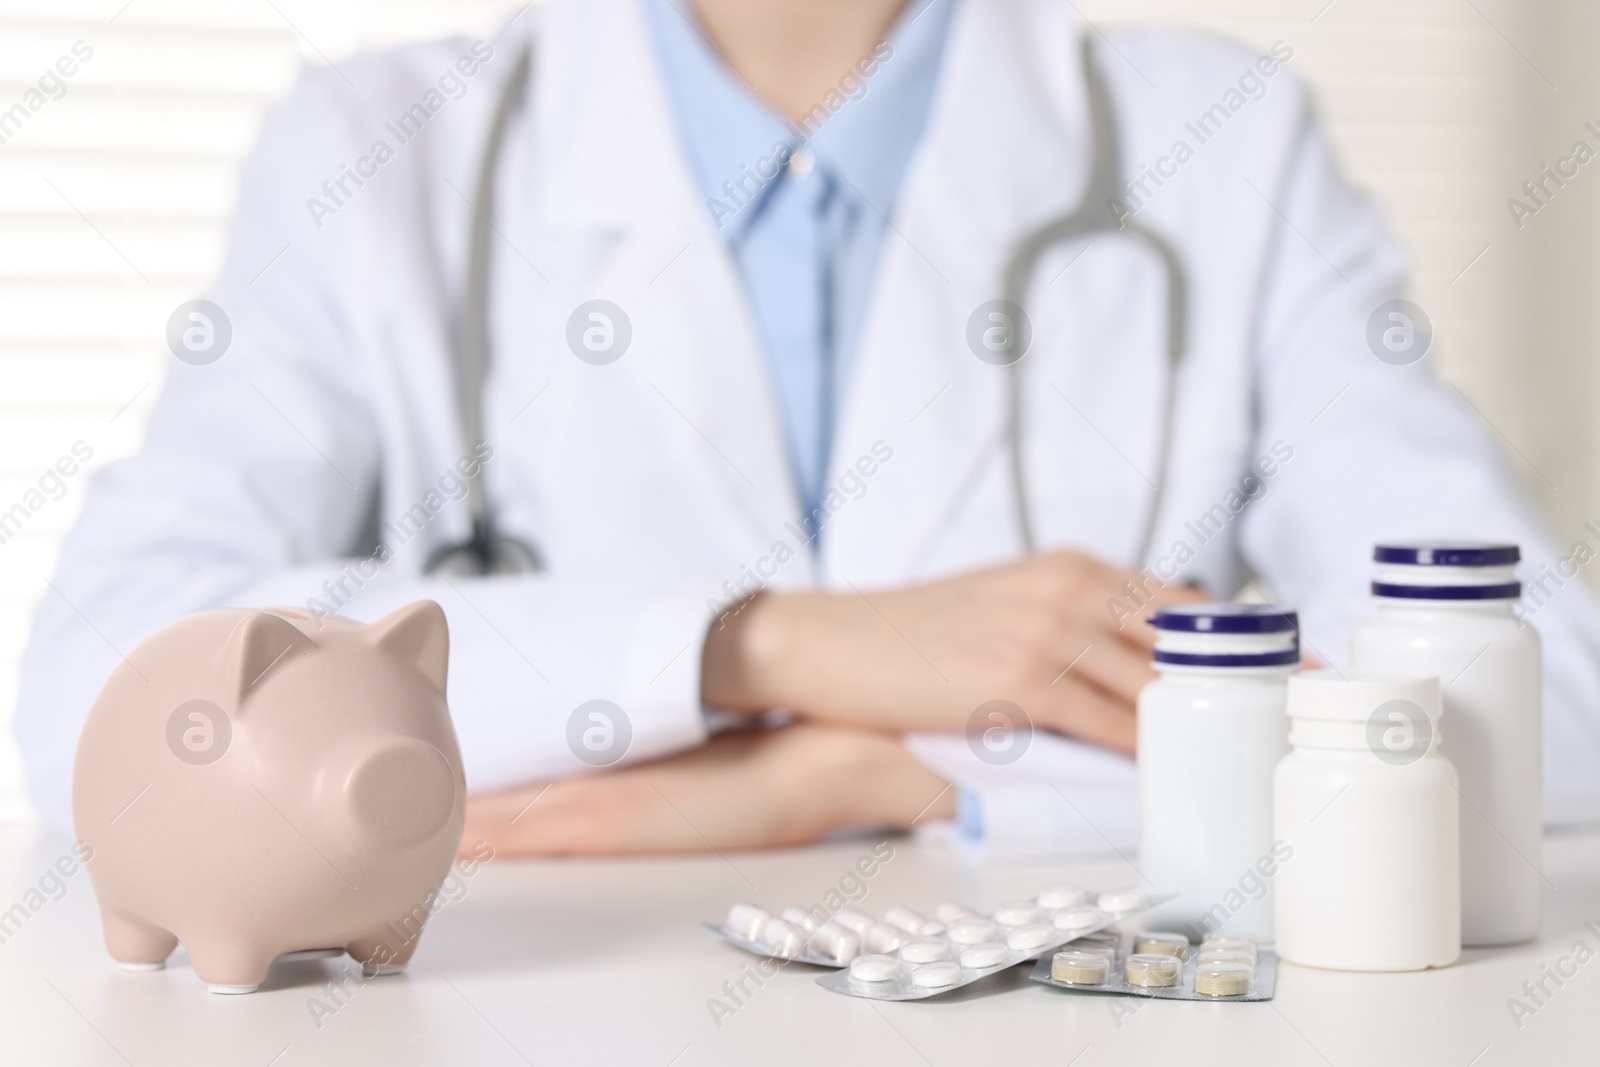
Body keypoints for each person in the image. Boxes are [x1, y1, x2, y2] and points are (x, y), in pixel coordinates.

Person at [18, 0, 1600, 858]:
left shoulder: (1226, 147)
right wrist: (756, 650)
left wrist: (898, 781)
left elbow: (1549, 702)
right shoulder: (376, 155)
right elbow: (101, 697)